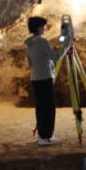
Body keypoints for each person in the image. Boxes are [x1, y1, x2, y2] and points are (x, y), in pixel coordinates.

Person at [25, 16, 64, 146]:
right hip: (45, 78)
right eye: (43, 26)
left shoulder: (29, 43)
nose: (44, 28)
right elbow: (55, 57)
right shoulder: (42, 42)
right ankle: (45, 137)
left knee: (41, 107)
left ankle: (44, 135)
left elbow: (29, 63)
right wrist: (65, 47)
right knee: (48, 108)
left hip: (35, 78)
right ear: (38, 28)